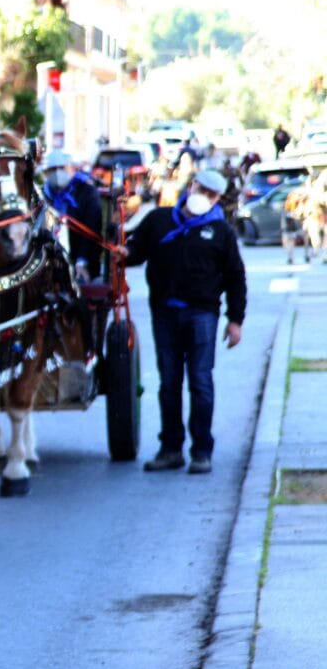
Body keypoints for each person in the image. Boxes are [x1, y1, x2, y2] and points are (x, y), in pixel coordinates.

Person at [124, 168, 246, 475]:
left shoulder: (221, 232)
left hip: (203, 314)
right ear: (191, 186)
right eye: (200, 189)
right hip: (165, 313)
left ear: (218, 199)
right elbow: (134, 254)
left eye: (211, 194)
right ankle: (171, 449)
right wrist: (120, 250)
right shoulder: (159, 220)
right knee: (169, 383)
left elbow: (235, 278)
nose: (204, 197)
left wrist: (235, 320)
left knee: (201, 382)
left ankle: (202, 450)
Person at [40, 148, 103, 282]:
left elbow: (92, 231)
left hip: (80, 258)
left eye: (62, 167)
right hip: (46, 261)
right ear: (45, 173)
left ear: (72, 168)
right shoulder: (40, 195)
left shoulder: (87, 192)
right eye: (53, 169)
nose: (57, 172)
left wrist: (82, 262)